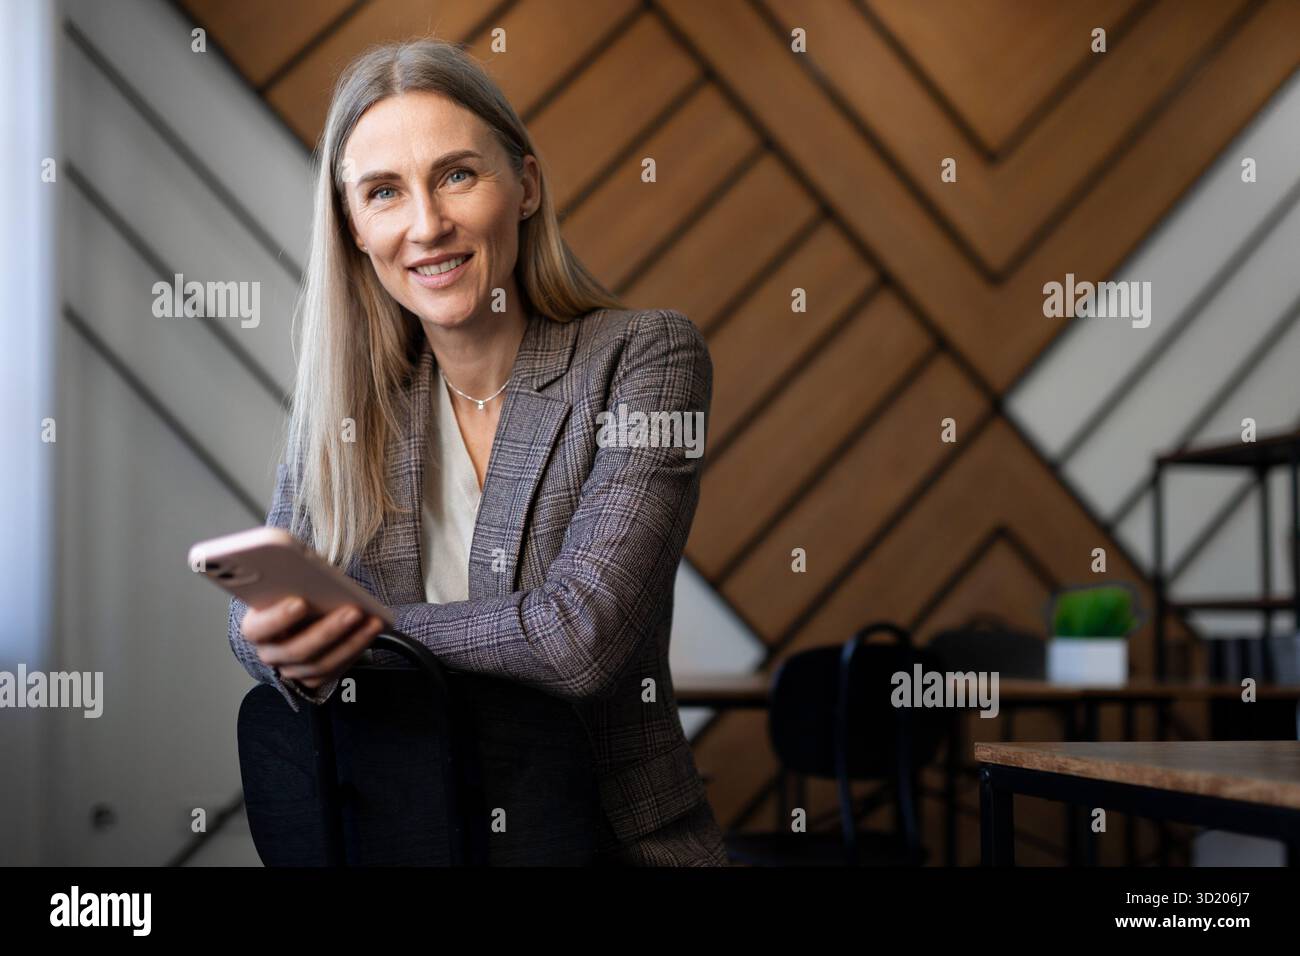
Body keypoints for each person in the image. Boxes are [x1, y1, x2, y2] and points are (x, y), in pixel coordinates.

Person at [226, 37, 728, 866]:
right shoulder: (350, 402)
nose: (427, 226)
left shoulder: (644, 358)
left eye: (457, 174)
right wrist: (271, 633)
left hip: (609, 845)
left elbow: (581, 636)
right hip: (405, 841)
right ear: (354, 227)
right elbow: (256, 629)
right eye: (384, 193)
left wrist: (356, 631)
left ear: (525, 186)